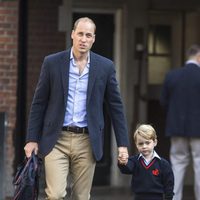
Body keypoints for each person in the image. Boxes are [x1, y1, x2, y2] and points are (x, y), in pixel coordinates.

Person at [24, 17, 129, 200]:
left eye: (88, 35)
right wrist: (32, 138)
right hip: (56, 139)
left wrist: (123, 144)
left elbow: (116, 107)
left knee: (81, 196)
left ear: (93, 39)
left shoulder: (105, 67)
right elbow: (39, 103)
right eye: (80, 34)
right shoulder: (52, 63)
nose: (83, 39)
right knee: (55, 195)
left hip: (87, 141)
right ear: (72, 34)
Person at [160, 44, 200, 200]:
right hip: (198, 129)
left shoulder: (172, 75)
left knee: (177, 165)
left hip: (176, 128)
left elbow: (163, 101)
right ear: (198, 57)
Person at [118, 124, 174, 200]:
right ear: (136, 145)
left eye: (147, 143)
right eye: (140, 144)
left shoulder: (163, 164)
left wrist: (168, 198)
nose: (144, 146)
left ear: (155, 142)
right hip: (138, 197)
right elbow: (127, 169)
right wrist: (123, 162)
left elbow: (169, 185)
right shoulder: (134, 161)